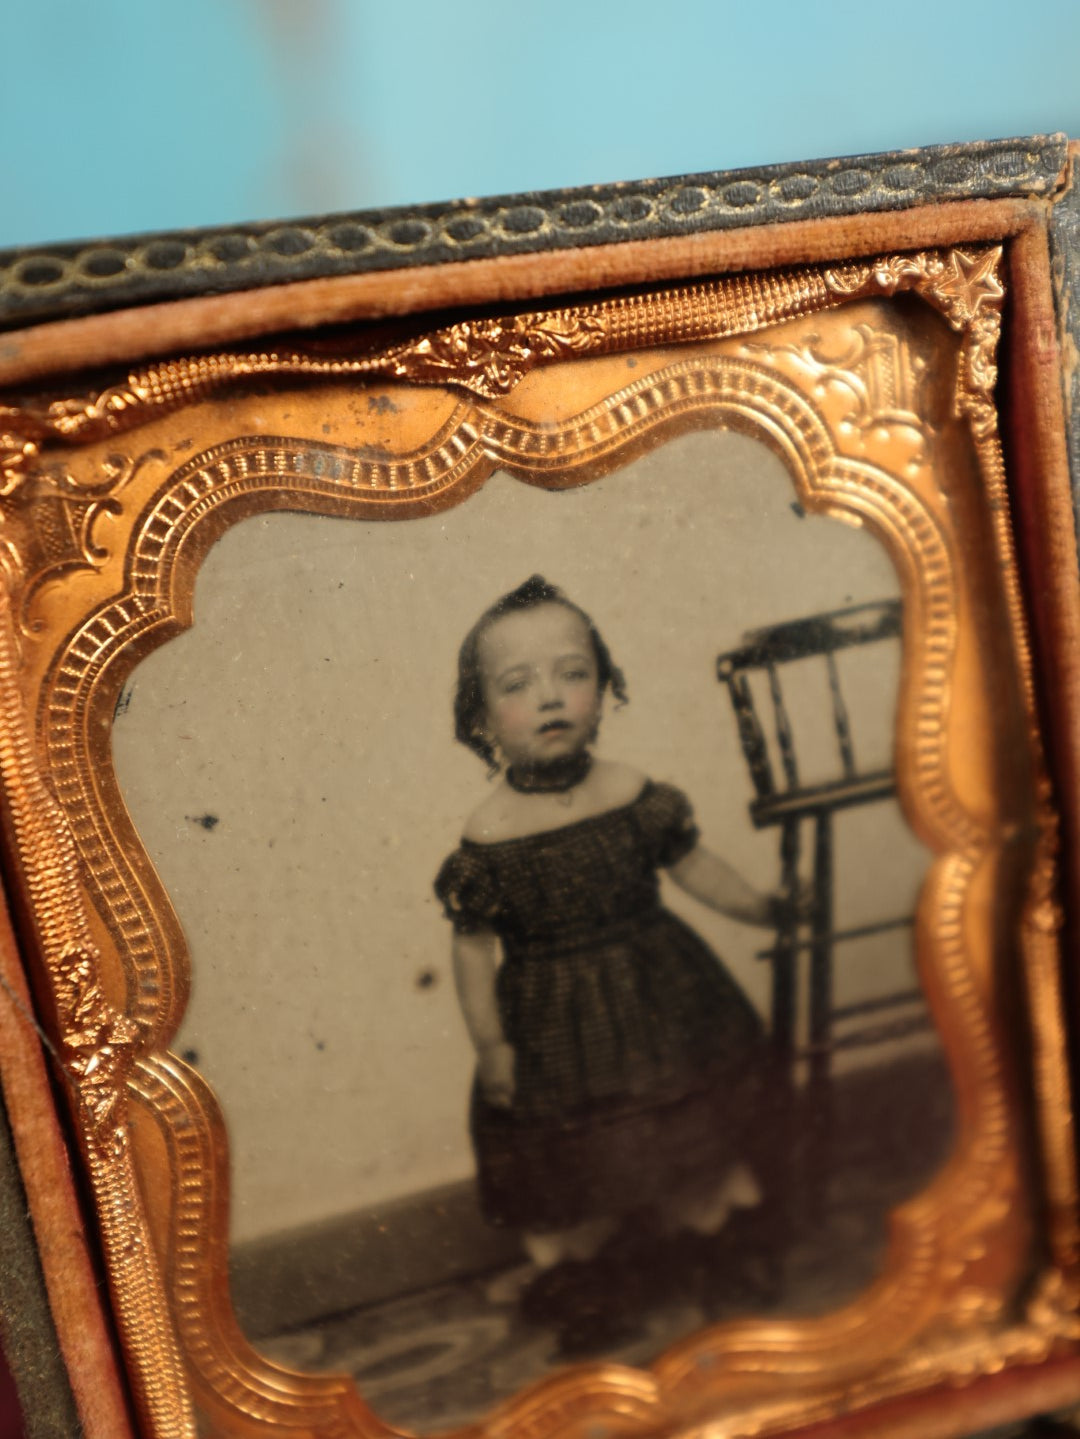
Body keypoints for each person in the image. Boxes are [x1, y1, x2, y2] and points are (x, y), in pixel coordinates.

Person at [434, 577, 793, 1342]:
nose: (552, 696)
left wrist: (759, 904)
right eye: (518, 685)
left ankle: (715, 1246)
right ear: (482, 718)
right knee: (575, 1157)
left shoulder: (632, 794)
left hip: (659, 990)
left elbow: (695, 867)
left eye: (573, 673)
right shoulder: (489, 835)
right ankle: (594, 1278)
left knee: (690, 1126)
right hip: (551, 1020)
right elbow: (471, 949)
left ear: (605, 689)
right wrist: (493, 1044)